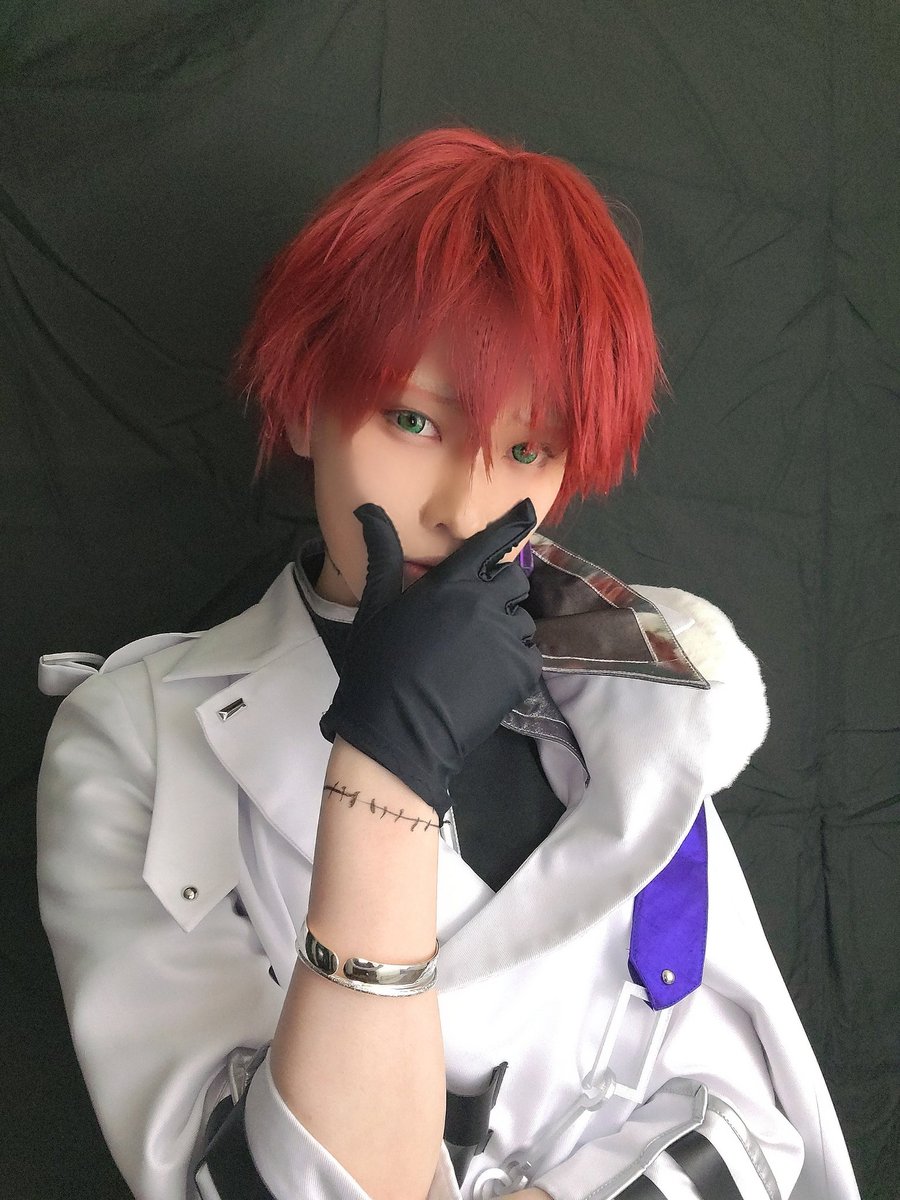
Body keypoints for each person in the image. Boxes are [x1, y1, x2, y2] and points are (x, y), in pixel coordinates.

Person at [36, 127, 860, 1200]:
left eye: (527, 448)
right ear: (303, 403)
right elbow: (237, 1175)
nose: (466, 510)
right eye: (414, 420)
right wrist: (387, 769)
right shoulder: (137, 740)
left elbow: (745, 1104)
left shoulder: (634, 713)